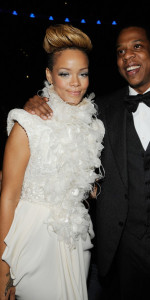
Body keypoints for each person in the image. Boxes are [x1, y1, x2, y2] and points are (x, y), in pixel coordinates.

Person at [23, 23, 150, 300]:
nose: (128, 56)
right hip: (126, 256)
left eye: (137, 46)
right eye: (120, 51)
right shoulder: (100, 109)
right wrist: (36, 101)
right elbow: (63, 110)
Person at [0, 23, 105, 300]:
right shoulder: (27, 123)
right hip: (32, 242)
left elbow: (90, 186)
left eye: (83, 74)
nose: (75, 82)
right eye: (64, 73)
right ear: (49, 75)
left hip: (76, 240)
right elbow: (8, 197)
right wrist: (2, 266)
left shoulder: (92, 128)